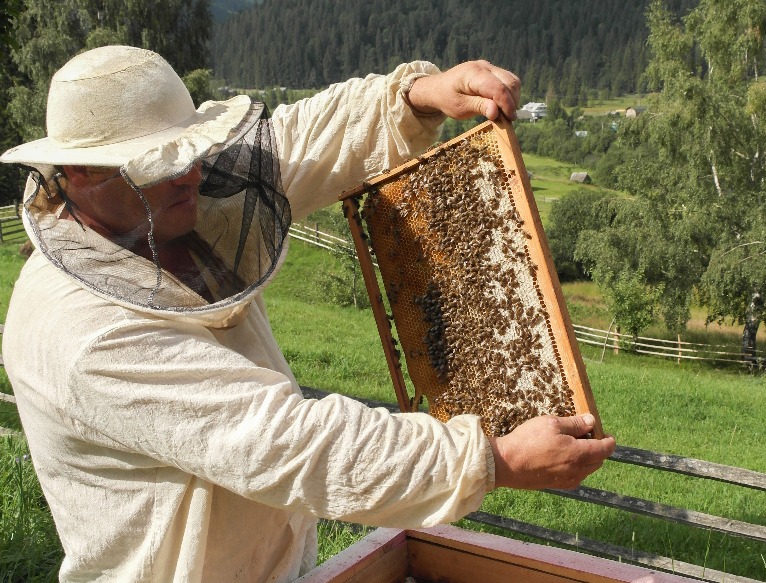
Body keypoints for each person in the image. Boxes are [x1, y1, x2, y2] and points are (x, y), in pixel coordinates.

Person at [0, 45, 616, 582]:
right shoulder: (81, 334)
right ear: (78, 171)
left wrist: (415, 98)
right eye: (159, 162)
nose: (190, 172)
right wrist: (491, 460)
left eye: (188, 149)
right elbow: (284, 442)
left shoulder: (152, 204)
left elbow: (291, 144)